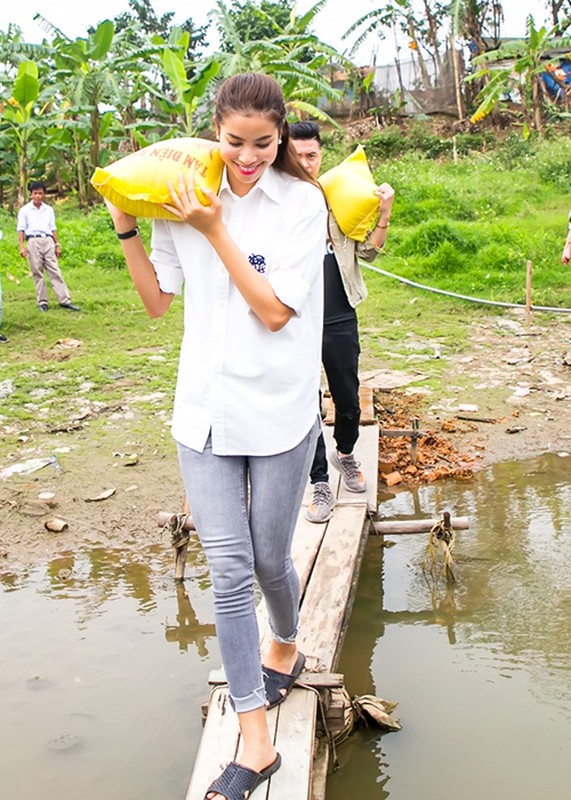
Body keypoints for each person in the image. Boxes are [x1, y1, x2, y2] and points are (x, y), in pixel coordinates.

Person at [105, 73, 327, 800]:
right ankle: (255, 740)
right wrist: (130, 227)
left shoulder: (301, 205)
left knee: (270, 558)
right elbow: (154, 304)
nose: (247, 157)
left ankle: (287, 642)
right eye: (234, 143)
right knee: (228, 573)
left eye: (263, 144)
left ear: (280, 139)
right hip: (201, 413)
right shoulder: (180, 197)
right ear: (215, 134)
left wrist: (214, 229)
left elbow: (272, 312)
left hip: (277, 414)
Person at [290, 121, 395, 523]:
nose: (304, 163)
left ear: (321, 157)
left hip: (338, 313)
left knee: (348, 399)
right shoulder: (276, 205)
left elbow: (368, 253)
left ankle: (345, 453)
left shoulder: (338, 199)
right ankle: (318, 479)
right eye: (296, 155)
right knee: (305, 401)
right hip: (295, 316)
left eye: (311, 155)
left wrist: (383, 212)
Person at [17, 181, 80, 312]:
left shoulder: (48, 210)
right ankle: (42, 302)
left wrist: (57, 244)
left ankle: (64, 300)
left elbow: (53, 228)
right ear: (31, 195)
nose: (38, 196)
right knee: (37, 272)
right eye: (35, 193)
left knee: (54, 270)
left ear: (44, 194)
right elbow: (21, 229)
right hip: (33, 241)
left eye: (40, 193)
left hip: (47, 240)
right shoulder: (25, 210)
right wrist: (22, 246)